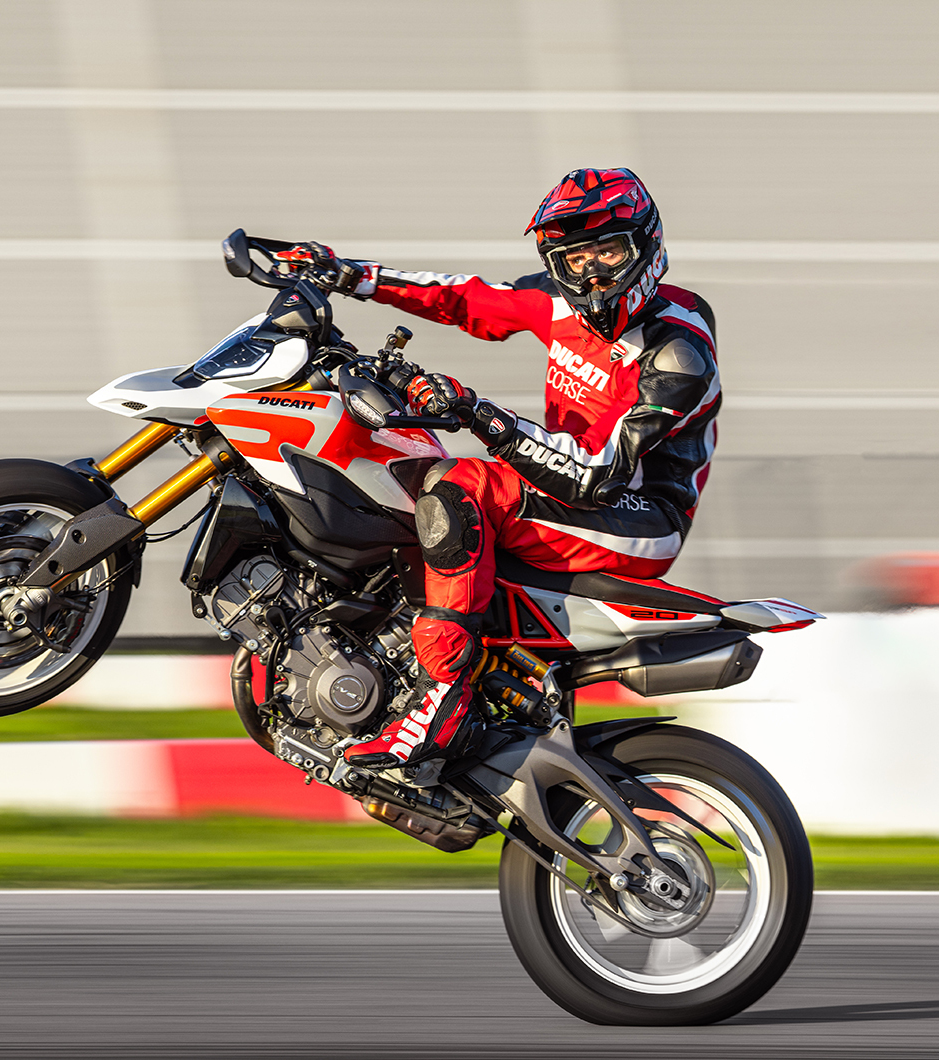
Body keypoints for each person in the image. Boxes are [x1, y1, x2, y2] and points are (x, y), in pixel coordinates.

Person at [302, 168, 722, 770]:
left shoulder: (678, 351)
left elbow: (595, 474)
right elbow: (465, 298)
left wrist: (478, 413)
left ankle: (443, 700)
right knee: (404, 474)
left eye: (608, 251)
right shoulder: (557, 303)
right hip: (569, 497)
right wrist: (345, 274)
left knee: (459, 486)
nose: (593, 273)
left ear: (646, 247)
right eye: (575, 258)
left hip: (636, 518)